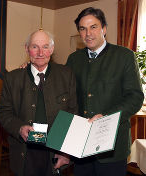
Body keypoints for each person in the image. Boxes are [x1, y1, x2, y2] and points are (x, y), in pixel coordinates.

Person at [66, 7, 144, 176]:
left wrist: (106, 116)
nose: (88, 33)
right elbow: (63, 93)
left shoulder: (125, 56)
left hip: (113, 148)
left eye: (93, 27)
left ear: (104, 29)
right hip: (81, 145)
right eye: (82, 28)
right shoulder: (73, 60)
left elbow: (135, 97)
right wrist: (35, 70)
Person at [0, 30, 78, 176]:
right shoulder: (12, 78)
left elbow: (73, 114)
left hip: (55, 153)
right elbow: (3, 113)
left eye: (45, 47)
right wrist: (19, 127)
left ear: (52, 49)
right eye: (35, 47)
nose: (41, 52)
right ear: (27, 49)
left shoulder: (66, 75)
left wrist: (65, 152)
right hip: (25, 152)